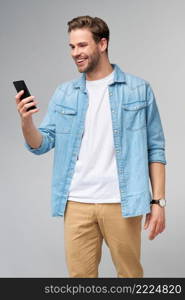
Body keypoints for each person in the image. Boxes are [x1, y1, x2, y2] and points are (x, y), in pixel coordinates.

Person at [15, 15, 167, 278]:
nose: (76, 53)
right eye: (72, 47)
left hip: (122, 201)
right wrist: (26, 122)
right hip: (76, 203)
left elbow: (155, 149)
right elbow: (42, 144)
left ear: (102, 44)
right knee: (80, 282)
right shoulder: (65, 93)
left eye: (82, 46)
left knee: (130, 277)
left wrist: (158, 202)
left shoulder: (138, 90)